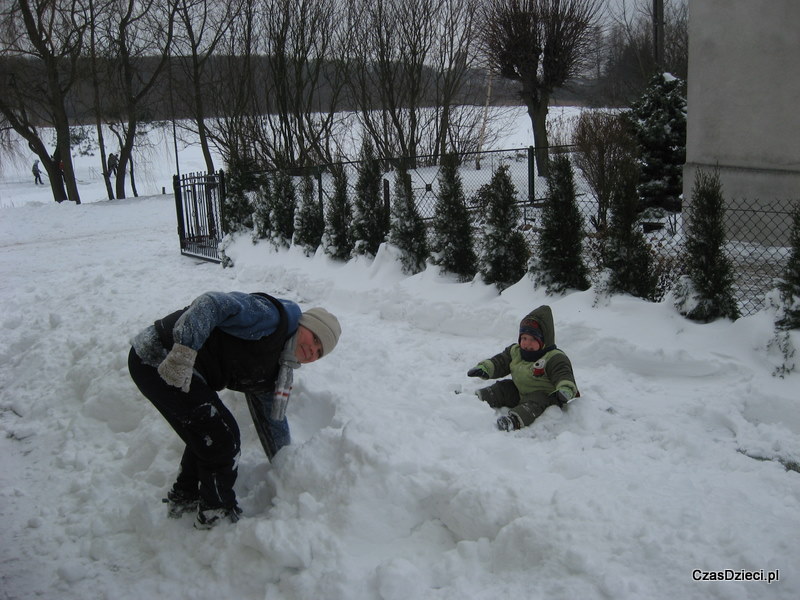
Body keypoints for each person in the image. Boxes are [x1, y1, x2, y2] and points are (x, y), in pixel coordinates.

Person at [127, 291, 341, 529]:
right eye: (315, 339)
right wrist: (182, 352)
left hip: (179, 370)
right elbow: (213, 303)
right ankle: (216, 515)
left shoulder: (277, 372)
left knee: (208, 435)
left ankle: (185, 497)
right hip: (160, 356)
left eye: (320, 352)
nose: (313, 351)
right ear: (304, 324)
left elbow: (272, 420)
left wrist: (285, 465)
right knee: (223, 439)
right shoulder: (270, 318)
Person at [466, 305, 578, 431]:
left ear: (544, 341)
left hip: (545, 399)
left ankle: (514, 420)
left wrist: (565, 389)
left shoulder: (553, 358)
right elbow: (500, 362)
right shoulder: (516, 351)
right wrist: (485, 368)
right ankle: (475, 399)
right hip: (521, 392)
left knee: (538, 400)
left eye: (533, 339)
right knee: (504, 387)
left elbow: (563, 373)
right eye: (524, 338)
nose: (527, 343)